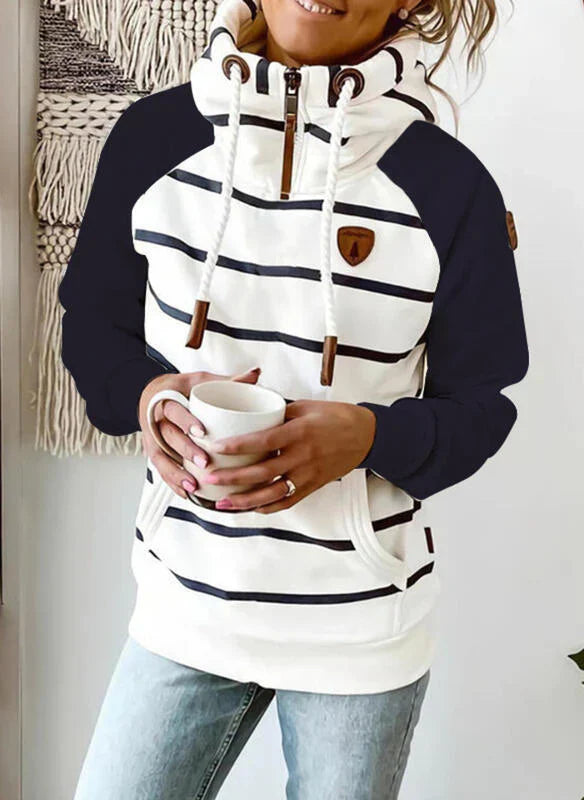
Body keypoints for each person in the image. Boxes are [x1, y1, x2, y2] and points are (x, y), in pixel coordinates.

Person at [58, 0, 529, 796]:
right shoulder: (152, 140)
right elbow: (92, 329)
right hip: (185, 603)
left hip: (359, 626)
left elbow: (484, 404)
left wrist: (369, 438)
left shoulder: (450, 187)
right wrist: (147, 398)